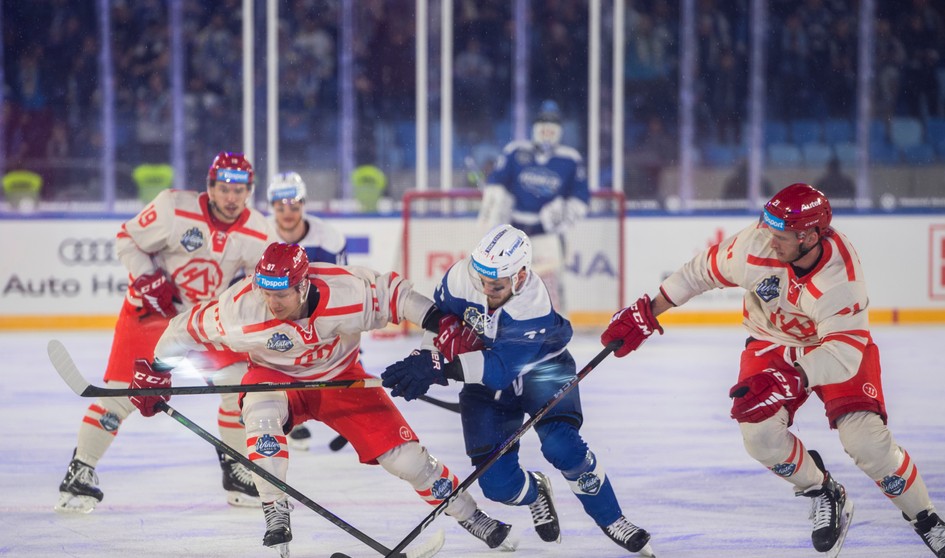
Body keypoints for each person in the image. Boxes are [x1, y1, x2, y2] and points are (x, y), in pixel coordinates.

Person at [600, 183, 945, 558]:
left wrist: (791, 378)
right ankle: (823, 490)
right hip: (770, 341)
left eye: (781, 236)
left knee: (867, 445)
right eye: (769, 229)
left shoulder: (841, 281)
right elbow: (700, 272)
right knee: (758, 436)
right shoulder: (756, 243)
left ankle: (926, 519)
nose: (769, 241)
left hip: (834, 350)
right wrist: (648, 312)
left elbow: (843, 352)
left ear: (809, 236)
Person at [128, 243, 516, 555]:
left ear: (304, 284)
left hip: (341, 379)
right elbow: (183, 329)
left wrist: (440, 322)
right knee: (260, 420)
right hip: (273, 377)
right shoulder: (237, 311)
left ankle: (472, 516)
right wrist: (157, 370)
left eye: (281, 294)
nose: (271, 303)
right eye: (265, 292)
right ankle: (275, 510)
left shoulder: (347, 290)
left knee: (409, 460)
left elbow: (395, 295)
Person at [381, 224, 655, 557]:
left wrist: (439, 369)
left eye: (495, 285)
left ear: (521, 276)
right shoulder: (461, 276)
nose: (484, 290)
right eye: (481, 281)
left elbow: (499, 371)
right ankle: (536, 491)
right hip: (482, 376)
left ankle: (613, 517)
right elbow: (439, 322)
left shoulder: (532, 304)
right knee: (498, 485)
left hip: (542, 368)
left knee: (562, 447)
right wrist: (424, 357)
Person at [55, 152, 273, 513]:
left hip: (203, 319)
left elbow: (262, 285)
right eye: (224, 189)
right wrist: (145, 276)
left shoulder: (258, 230)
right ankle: (80, 471)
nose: (231, 198)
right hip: (151, 312)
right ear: (210, 187)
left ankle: (236, 468)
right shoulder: (174, 207)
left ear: (250, 191)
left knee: (240, 387)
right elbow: (127, 238)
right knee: (123, 396)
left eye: (240, 190)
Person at [478, 100, 589, 312]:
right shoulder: (515, 152)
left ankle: (556, 326)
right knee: (508, 283)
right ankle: (504, 323)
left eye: (551, 129)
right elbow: (496, 184)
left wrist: (564, 213)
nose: (547, 134)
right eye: (543, 129)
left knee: (550, 283)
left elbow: (581, 199)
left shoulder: (570, 160)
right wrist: (493, 208)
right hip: (515, 232)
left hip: (547, 233)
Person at [266, 171, 348, 451]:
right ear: (271, 206)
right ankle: (289, 412)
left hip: (319, 312)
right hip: (273, 312)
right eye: (280, 206)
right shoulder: (258, 234)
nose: (287, 212)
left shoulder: (329, 238)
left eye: (294, 204)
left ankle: (344, 410)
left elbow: (342, 289)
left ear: (304, 204)